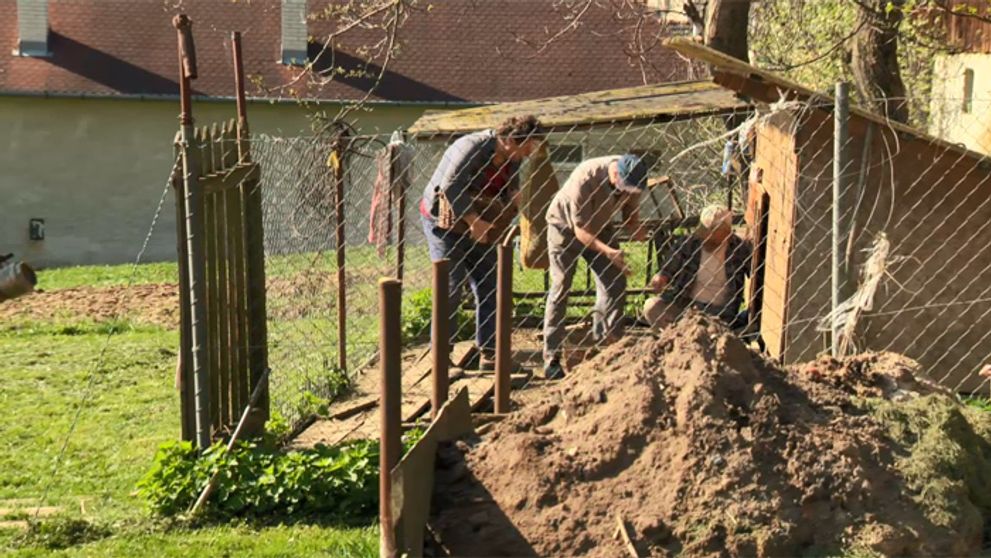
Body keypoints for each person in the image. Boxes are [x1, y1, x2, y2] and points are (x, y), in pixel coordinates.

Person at [420, 115, 543, 370]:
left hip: (483, 221)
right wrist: (473, 221)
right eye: (528, 145)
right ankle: (441, 357)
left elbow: (507, 185)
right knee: (451, 287)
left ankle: (491, 353)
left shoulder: (513, 158)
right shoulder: (472, 147)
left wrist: (514, 196)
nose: (530, 152)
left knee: (491, 284)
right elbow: (450, 187)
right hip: (445, 222)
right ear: (511, 140)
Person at [542, 154, 649, 379]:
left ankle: (608, 347)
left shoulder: (632, 179)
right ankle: (551, 357)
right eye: (626, 188)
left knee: (615, 281)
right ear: (616, 174)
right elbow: (580, 229)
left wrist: (635, 229)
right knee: (561, 286)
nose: (629, 193)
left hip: (601, 225)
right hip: (565, 227)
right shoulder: (586, 176)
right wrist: (609, 252)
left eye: (633, 190)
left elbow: (630, 211)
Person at [643, 204, 752, 330]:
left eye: (713, 238)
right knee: (651, 307)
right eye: (705, 235)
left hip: (720, 312)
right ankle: (677, 337)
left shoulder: (739, 248)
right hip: (686, 305)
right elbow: (667, 270)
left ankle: (702, 334)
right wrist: (660, 278)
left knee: (714, 329)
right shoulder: (688, 244)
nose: (707, 240)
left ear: (727, 234)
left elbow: (756, 274)